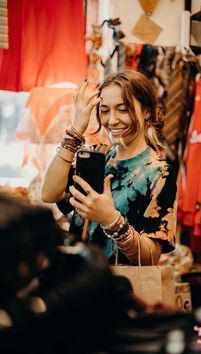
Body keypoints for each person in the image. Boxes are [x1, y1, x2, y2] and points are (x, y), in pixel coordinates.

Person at [41, 69, 177, 265]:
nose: (112, 120)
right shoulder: (97, 156)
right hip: (76, 282)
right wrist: (77, 128)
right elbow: (49, 194)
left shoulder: (159, 173)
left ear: (147, 111)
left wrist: (111, 220)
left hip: (116, 289)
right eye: (105, 110)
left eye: (123, 109)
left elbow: (150, 257)